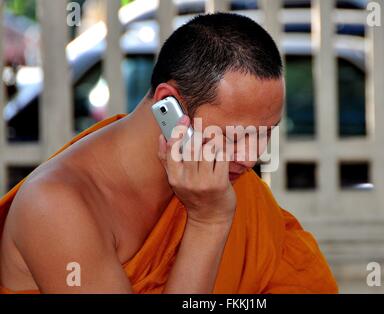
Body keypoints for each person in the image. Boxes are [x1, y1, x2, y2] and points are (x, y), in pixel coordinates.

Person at [0, 13, 338, 294]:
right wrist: (208, 222)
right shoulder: (57, 206)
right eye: (233, 137)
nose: (250, 158)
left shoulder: (220, 183)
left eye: (265, 134)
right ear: (168, 105)